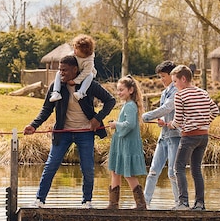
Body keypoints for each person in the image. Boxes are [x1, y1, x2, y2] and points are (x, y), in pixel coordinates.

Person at [24, 55, 116, 208]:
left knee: (87, 167)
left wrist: (97, 119)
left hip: (85, 132)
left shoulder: (89, 84)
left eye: (65, 70)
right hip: (63, 132)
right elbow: (46, 109)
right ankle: (39, 200)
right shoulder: (56, 85)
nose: (61, 73)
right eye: (60, 70)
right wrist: (34, 125)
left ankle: (87, 201)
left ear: (75, 70)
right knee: (51, 165)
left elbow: (110, 100)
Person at [168, 65, 219, 211]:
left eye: (175, 82)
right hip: (203, 136)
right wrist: (204, 123)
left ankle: (183, 203)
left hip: (189, 137)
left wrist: (170, 125)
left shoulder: (180, 95)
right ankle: (200, 203)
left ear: (183, 79)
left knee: (178, 167)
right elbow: (215, 110)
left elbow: (177, 120)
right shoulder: (203, 93)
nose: (174, 85)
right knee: (196, 170)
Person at [142, 61, 180, 207]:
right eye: (160, 76)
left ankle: (179, 203)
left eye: (163, 76)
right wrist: (161, 120)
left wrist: (147, 116)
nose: (161, 80)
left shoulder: (176, 91)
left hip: (175, 136)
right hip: (163, 136)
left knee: (172, 172)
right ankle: (145, 202)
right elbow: (165, 113)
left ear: (171, 75)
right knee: (153, 171)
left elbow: (168, 107)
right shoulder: (165, 92)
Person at [106, 75, 147, 210]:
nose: (119, 93)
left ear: (131, 90)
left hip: (127, 144)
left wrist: (115, 124)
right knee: (115, 172)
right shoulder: (126, 105)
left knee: (128, 174)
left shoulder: (130, 106)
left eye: (122, 90)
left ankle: (141, 204)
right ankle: (113, 204)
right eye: (118, 90)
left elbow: (129, 124)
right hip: (120, 143)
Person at [50, 34, 97, 102]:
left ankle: (81, 92)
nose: (74, 50)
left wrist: (75, 81)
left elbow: (85, 73)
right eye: (74, 48)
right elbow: (66, 60)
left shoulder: (89, 61)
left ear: (83, 51)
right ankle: (56, 92)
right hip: (76, 71)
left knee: (90, 75)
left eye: (76, 49)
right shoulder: (73, 54)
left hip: (86, 74)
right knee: (58, 73)